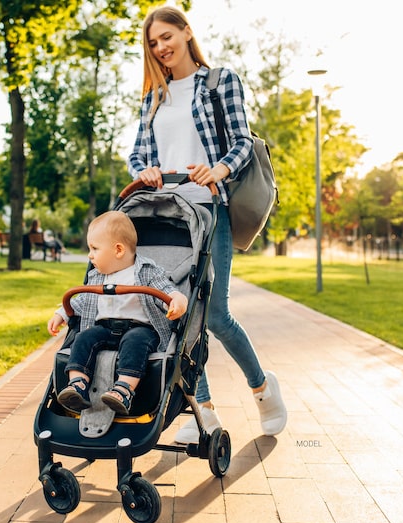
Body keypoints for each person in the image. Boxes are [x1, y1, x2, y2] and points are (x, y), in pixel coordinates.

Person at [126, 5, 286, 441]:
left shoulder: (220, 82)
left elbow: (240, 142)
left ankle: (262, 387)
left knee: (214, 315)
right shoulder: (152, 98)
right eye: (153, 43)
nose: (160, 48)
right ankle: (204, 413)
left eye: (166, 37)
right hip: (167, 216)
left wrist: (218, 170)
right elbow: (138, 155)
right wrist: (147, 172)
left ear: (186, 32)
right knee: (179, 316)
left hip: (209, 209)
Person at [47, 211, 188, 415]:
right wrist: (62, 314)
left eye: (94, 248)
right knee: (84, 337)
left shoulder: (146, 271)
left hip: (139, 328)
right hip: (104, 328)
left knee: (135, 342)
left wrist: (177, 299)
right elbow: (83, 300)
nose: (90, 255)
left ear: (118, 250)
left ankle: (124, 389)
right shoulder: (97, 276)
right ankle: (76, 385)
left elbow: (164, 289)